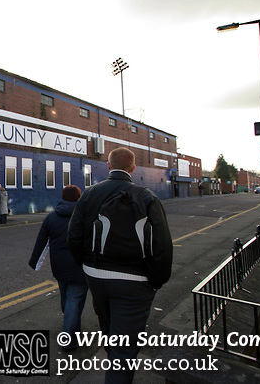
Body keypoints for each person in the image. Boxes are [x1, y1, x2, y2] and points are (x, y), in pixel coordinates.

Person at [67, 148, 172, 384]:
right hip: (135, 282)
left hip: (96, 276)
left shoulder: (89, 195)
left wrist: (88, 267)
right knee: (124, 350)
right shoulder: (147, 197)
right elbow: (162, 245)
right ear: (133, 168)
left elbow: (73, 237)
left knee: (110, 330)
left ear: (108, 165)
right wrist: (156, 281)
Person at [29, 185, 87, 351]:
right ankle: (69, 340)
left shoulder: (51, 217)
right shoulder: (86, 217)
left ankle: (72, 327)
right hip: (80, 266)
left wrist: (35, 262)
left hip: (59, 267)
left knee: (67, 298)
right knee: (74, 301)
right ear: (78, 197)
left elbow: (41, 241)